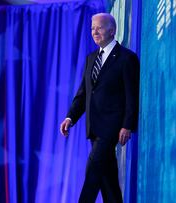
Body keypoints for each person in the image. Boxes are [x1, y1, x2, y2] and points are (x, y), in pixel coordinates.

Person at [60, 13, 140, 203]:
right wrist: (70, 118)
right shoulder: (91, 58)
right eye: (92, 28)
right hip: (94, 127)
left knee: (93, 170)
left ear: (112, 30)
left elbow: (132, 95)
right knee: (108, 179)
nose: (94, 31)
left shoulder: (126, 58)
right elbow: (83, 93)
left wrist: (127, 124)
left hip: (112, 127)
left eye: (99, 27)